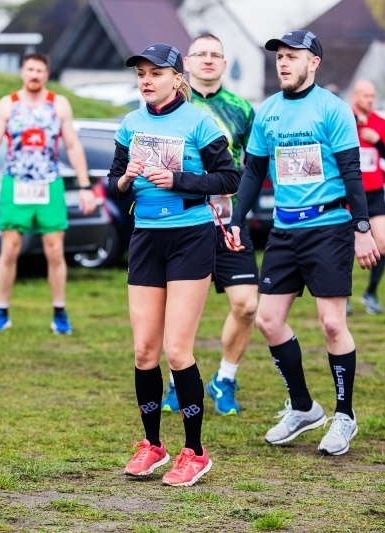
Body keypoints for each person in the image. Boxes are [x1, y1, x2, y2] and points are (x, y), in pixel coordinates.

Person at [227, 30, 379, 455]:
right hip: (284, 229)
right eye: (279, 56)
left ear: (313, 62)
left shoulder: (333, 109)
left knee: (332, 323)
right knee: (268, 321)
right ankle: (303, 407)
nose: (283, 62)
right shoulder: (268, 111)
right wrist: (238, 218)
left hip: (329, 226)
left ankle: (344, 416)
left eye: (293, 56)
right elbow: (254, 172)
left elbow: (352, 170)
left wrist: (362, 225)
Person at [107, 43, 240, 486]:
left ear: (176, 78)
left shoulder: (201, 121)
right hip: (146, 237)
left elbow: (230, 178)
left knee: (177, 350)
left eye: (156, 73)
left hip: (190, 237)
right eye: (141, 73)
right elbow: (115, 184)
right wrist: (125, 179)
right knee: (145, 350)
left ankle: (195, 452)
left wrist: (179, 179)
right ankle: (152, 446)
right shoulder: (130, 123)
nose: (146, 80)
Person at [159, 33, 257, 416]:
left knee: (247, 305)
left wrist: (244, 209)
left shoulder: (241, 109)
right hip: (180, 218)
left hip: (227, 218)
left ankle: (225, 379)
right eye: (201, 53)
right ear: (186, 60)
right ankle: (174, 383)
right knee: (175, 307)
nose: (208, 60)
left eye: (216, 54)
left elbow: (251, 167)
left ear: (225, 63)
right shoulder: (169, 105)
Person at [0, 52, 97, 334]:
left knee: (55, 251)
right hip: (16, 184)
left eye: (40, 70)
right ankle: (1, 311)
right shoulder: (8, 104)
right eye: (30, 69)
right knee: (10, 249)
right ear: (22, 72)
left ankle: (60, 313)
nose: (35, 75)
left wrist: (86, 187)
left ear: (46, 74)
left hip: (49, 184)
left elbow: (73, 146)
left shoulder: (58, 104)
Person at [349, 79, 385, 315]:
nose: (370, 100)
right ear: (355, 96)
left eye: (372, 96)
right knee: (345, 247)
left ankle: (371, 292)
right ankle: (343, 295)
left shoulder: (381, 123)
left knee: (384, 242)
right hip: (349, 194)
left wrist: (377, 142)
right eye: (366, 96)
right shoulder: (344, 120)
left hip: (375, 193)